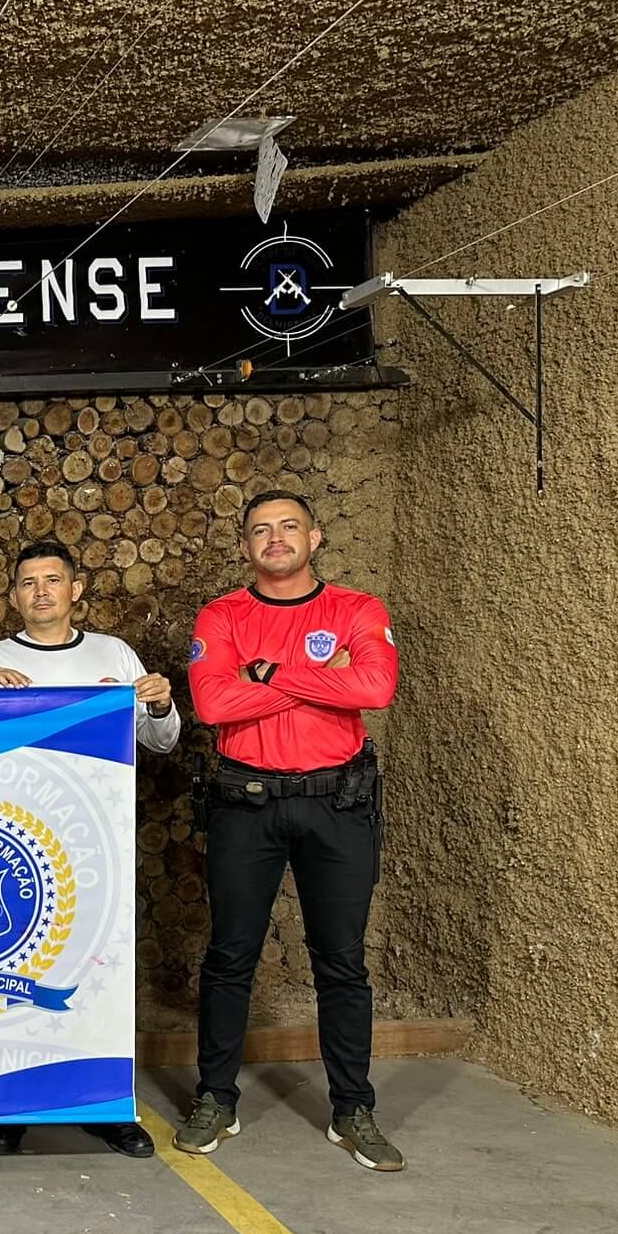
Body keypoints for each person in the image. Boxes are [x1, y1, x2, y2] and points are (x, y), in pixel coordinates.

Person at [182, 491, 401, 1171]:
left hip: (337, 805)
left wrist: (271, 674)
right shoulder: (223, 615)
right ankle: (216, 1097)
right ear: (245, 547)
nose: (274, 539)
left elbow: (376, 688)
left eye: (288, 527)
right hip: (246, 805)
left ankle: (352, 1109)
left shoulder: (357, 609)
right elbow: (213, 701)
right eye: (259, 531)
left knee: (341, 961)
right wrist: (319, 677)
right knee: (229, 955)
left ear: (316, 537)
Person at [0, 540, 181, 1160]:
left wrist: (160, 704)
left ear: (75, 589)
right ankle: (7, 1107)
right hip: (12, 851)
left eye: (52, 580)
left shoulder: (112, 654)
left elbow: (160, 741)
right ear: (13, 596)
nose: (40, 593)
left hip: (96, 849)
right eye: (27, 583)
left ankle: (107, 1105)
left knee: (99, 977)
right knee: (13, 983)